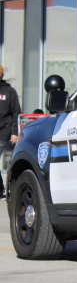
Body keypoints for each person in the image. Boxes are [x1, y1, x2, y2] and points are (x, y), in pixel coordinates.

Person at [0, 64, 21, 198]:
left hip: (3, 131)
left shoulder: (9, 92)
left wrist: (14, 132)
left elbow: (16, 112)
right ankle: (1, 188)